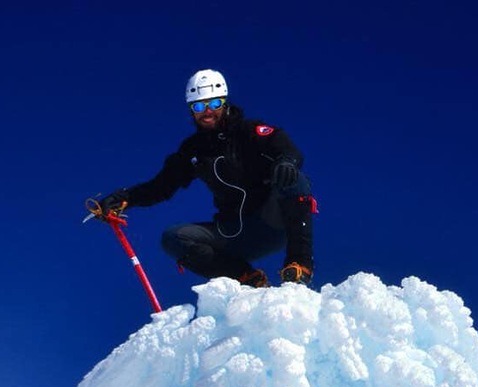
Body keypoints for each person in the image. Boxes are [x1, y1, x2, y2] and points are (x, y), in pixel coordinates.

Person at [96, 68, 315, 287]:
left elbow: (288, 150)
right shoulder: (193, 150)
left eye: (214, 104)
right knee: (173, 238)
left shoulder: (250, 131)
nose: (207, 112)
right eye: (199, 107)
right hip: (234, 233)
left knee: (294, 177)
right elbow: (160, 187)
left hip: (273, 221)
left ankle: (299, 265)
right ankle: (246, 278)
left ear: (224, 102)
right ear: (191, 110)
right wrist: (125, 197)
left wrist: (287, 162)